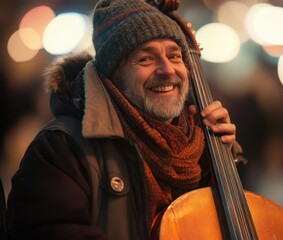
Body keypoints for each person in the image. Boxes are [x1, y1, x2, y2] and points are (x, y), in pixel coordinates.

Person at [6, 0, 240, 239]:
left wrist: (221, 157)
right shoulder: (60, 149)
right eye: (146, 59)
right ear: (114, 75)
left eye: (175, 56)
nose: (167, 69)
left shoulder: (200, 143)